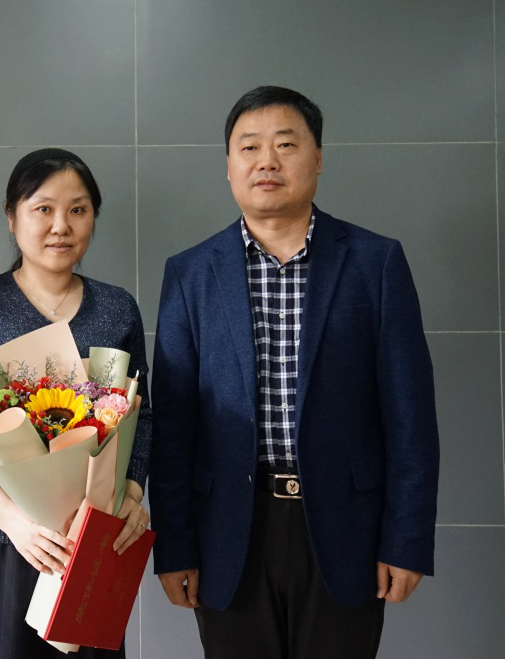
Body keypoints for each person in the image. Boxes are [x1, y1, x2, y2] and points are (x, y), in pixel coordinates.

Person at [148, 86, 439, 658]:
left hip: (346, 530)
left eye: (285, 145)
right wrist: (175, 546)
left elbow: (410, 418)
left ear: (318, 158)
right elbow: (174, 429)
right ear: (228, 166)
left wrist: (406, 539)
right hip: (229, 532)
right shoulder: (190, 274)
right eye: (249, 147)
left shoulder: (375, 262)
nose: (267, 161)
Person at [0, 148, 152, 659]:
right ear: (12, 215)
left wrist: (131, 493)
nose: (60, 226)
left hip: (91, 538)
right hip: (1, 539)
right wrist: (9, 517)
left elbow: (142, 414)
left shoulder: (117, 309)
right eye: (43, 208)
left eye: (78, 209)